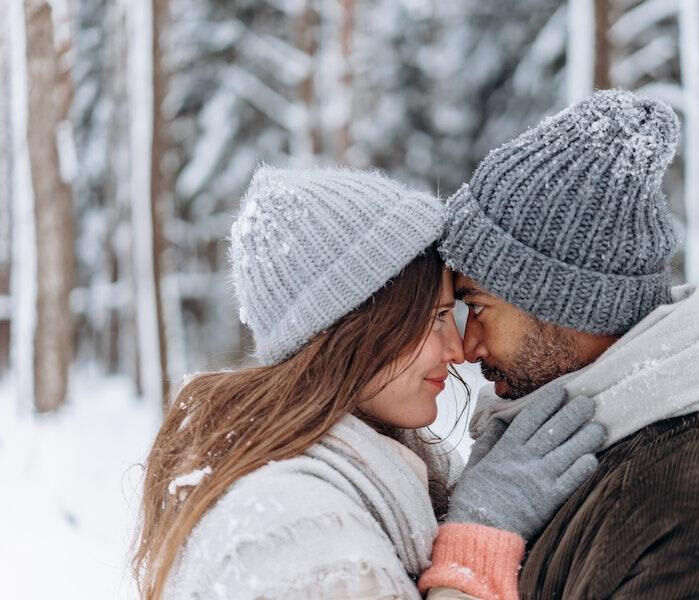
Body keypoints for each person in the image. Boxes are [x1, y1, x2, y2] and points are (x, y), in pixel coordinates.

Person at [132, 166, 606, 600]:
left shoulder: (375, 473)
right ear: (356, 329)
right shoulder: (297, 533)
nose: (457, 350)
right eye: (436, 317)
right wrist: (479, 538)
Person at [434, 90, 699, 599]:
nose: (466, 346)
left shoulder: (697, 498)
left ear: (563, 300)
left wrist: (477, 542)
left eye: (476, 306)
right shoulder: (571, 450)